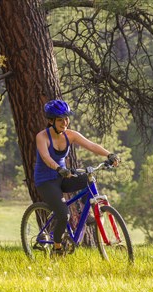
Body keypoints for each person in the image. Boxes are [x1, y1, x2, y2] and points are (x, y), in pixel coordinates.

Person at [34, 99, 119, 256]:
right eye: (60, 119)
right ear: (51, 121)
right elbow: (46, 157)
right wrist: (59, 168)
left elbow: (91, 145)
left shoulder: (70, 135)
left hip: (63, 176)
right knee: (63, 214)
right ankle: (57, 248)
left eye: (67, 118)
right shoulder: (42, 137)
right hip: (46, 180)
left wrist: (109, 154)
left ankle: (88, 213)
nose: (65, 122)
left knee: (88, 179)